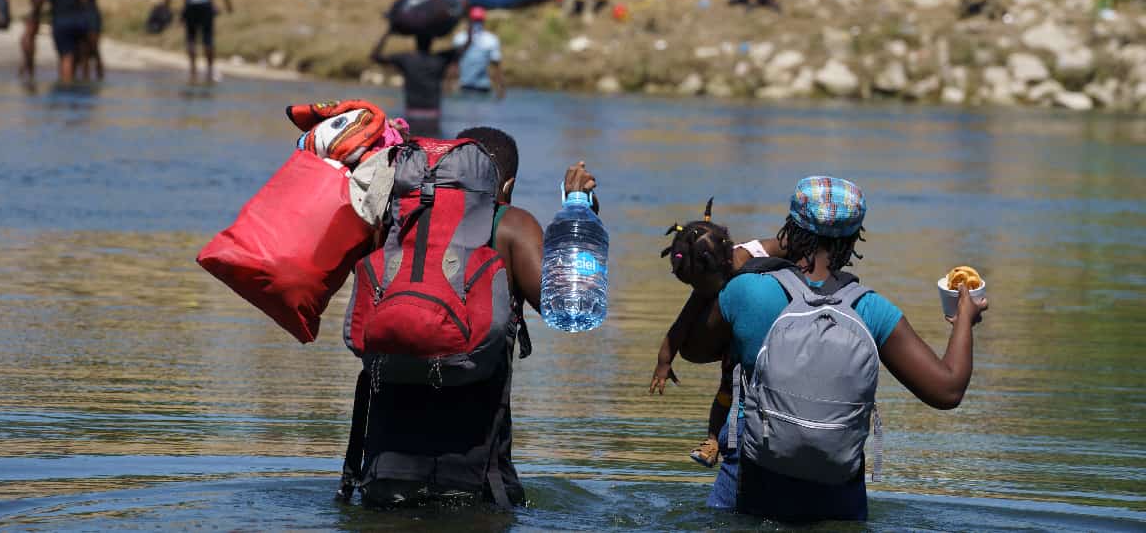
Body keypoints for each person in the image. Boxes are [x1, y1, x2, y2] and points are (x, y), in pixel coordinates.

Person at [675, 176, 989, 522]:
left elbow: (691, 349)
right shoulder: (871, 311)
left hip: (752, 481)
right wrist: (963, 319)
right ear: (854, 240)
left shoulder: (747, 291)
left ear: (790, 229)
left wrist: (721, 270)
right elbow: (947, 390)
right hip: (837, 493)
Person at [341, 126, 598, 508]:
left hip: (383, 467)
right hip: (474, 472)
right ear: (505, 185)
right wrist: (578, 210)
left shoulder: (397, 223)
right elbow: (572, 309)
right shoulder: (510, 226)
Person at [649, 200, 779, 473]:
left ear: (723, 263)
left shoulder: (760, 252)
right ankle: (712, 441)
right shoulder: (707, 280)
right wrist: (664, 364)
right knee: (726, 390)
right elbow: (679, 327)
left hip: (770, 337)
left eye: (699, 284)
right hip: (736, 345)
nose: (697, 291)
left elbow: (790, 250)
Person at [371, 29, 468, 137]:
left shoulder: (407, 60)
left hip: (412, 115)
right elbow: (466, 46)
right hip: (433, 117)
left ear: (416, 43)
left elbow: (375, 56)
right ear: (431, 43)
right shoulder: (439, 60)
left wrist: (388, 33)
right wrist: (471, 24)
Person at [28, 0, 91, 85]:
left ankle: (65, 89)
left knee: (66, 57)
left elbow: (37, 4)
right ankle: (83, 88)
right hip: (80, 22)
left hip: (61, 23)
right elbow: (84, 1)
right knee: (83, 58)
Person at [451, 6, 505, 100]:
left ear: (483, 21)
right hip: (464, 87)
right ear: (469, 20)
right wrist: (450, 86)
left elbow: (496, 67)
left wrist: (500, 89)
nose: (477, 23)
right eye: (475, 20)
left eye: (479, 20)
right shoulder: (460, 39)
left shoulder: (490, 39)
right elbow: (454, 64)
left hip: (483, 88)